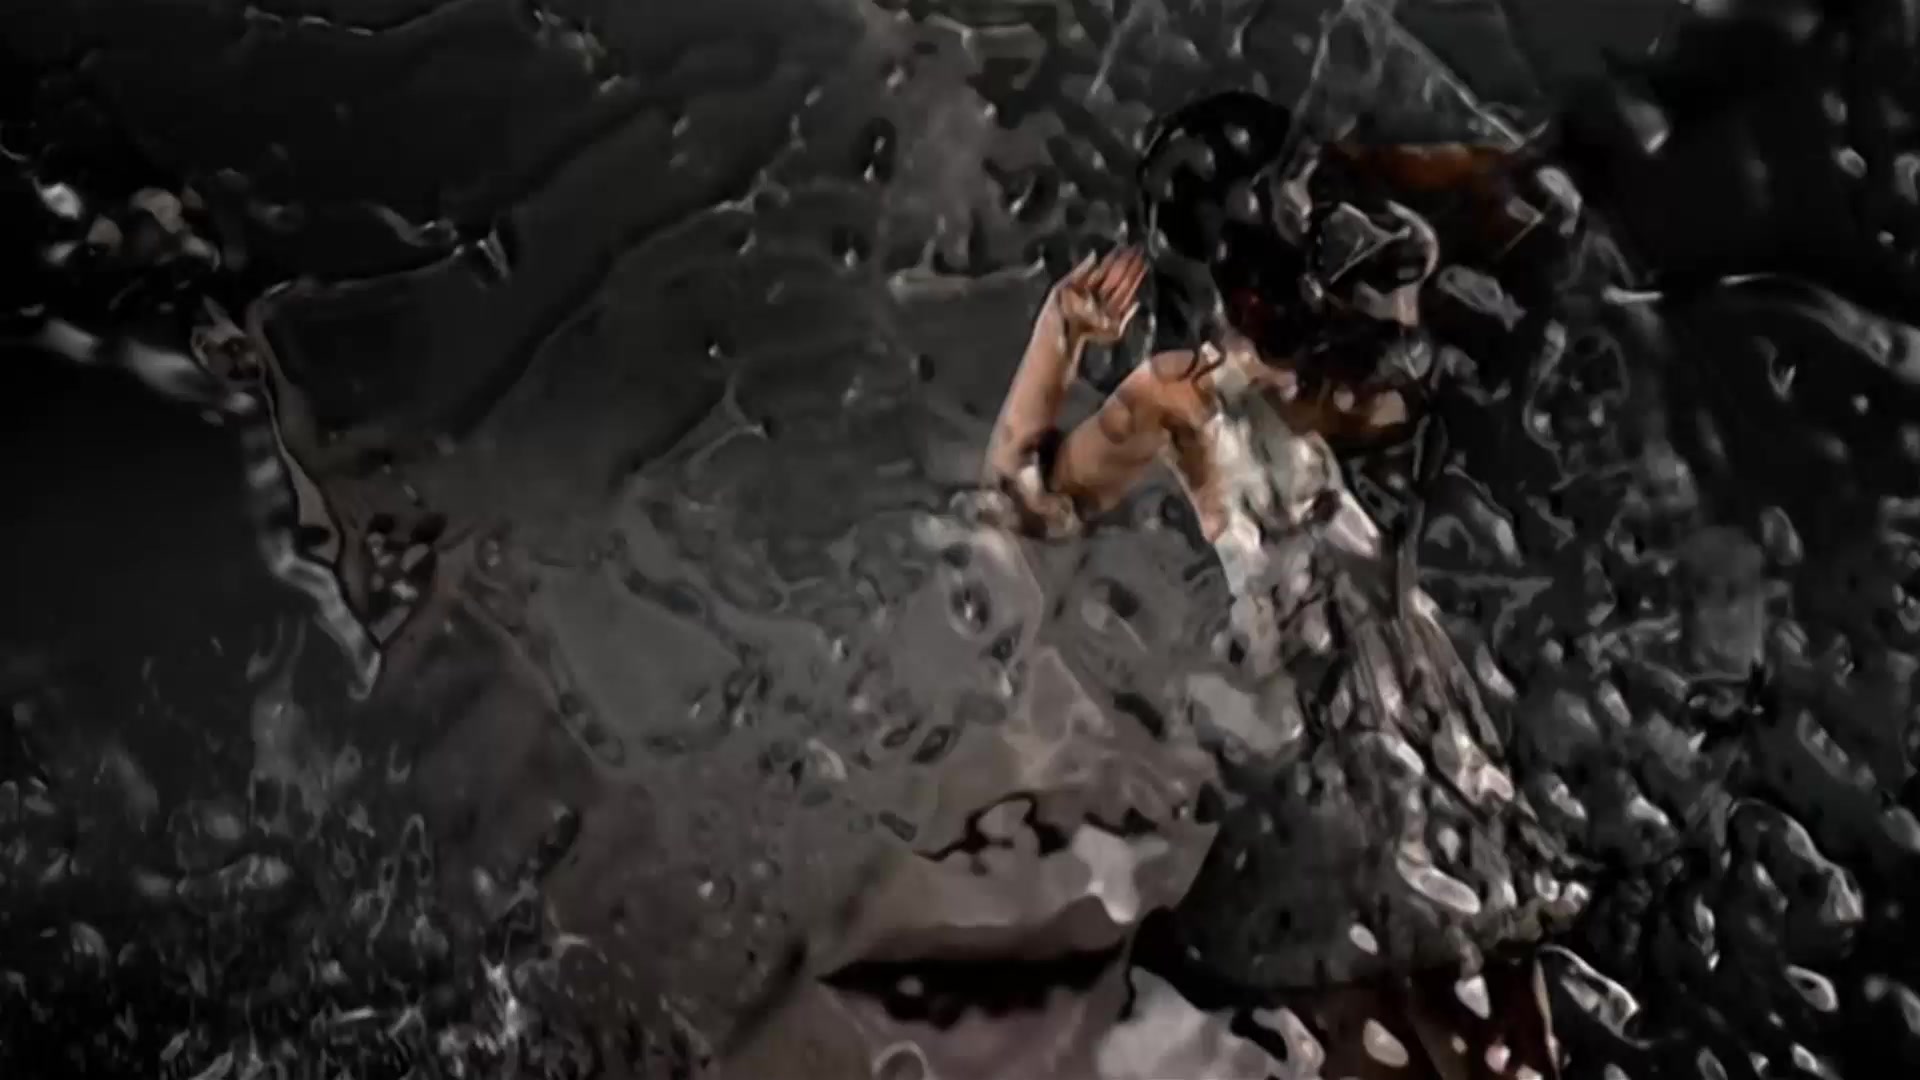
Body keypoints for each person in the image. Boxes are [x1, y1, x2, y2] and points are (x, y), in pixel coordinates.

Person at [981, 89, 1584, 1077]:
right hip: (1337, 728)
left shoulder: (1366, 334)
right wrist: (1059, 334)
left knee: (1486, 1014)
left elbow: (1522, 200)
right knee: (1408, 1010)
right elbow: (1025, 505)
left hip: (1415, 711)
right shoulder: (1195, 390)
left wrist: (1398, 183)